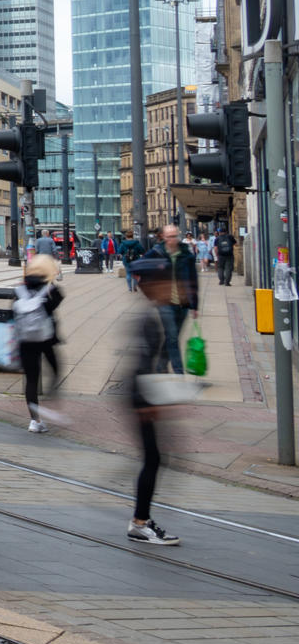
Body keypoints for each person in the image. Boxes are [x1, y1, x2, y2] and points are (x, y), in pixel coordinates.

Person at [125, 260, 181, 545]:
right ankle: (139, 522)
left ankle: (140, 520)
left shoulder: (153, 313)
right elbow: (142, 363)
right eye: (164, 283)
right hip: (141, 397)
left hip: (143, 395)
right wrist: (146, 402)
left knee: (154, 458)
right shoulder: (148, 317)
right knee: (153, 458)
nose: (169, 288)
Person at [14, 254, 65, 432]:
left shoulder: (20, 289)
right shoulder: (51, 290)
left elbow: (14, 313)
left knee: (31, 379)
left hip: (25, 340)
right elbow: (55, 304)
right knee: (55, 364)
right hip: (45, 339)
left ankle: (34, 421)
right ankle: (54, 387)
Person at [148, 224, 198, 374]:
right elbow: (138, 267)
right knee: (172, 337)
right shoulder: (157, 252)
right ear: (163, 237)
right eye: (169, 237)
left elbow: (193, 280)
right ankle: (178, 373)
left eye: (175, 236)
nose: (173, 239)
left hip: (182, 302)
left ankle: (161, 365)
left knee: (173, 337)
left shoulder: (186, 254)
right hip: (164, 302)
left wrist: (194, 305)